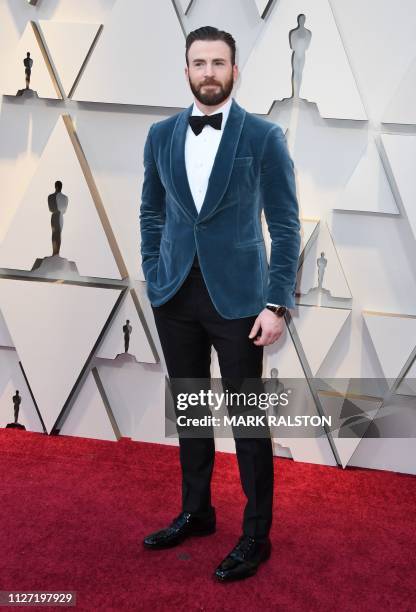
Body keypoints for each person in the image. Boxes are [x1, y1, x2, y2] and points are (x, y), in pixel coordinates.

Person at [139, 26, 301, 582]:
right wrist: (154, 272)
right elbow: (150, 214)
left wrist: (277, 304)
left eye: (218, 62)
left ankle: (256, 534)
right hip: (175, 295)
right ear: (186, 70)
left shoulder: (263, 136)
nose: (208, 71)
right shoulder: (160, 135)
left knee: (248, 422)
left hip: (240, 301)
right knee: (190, 411)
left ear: (235, 70)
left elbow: (284, 224)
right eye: (198, 62)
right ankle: (197, 512)